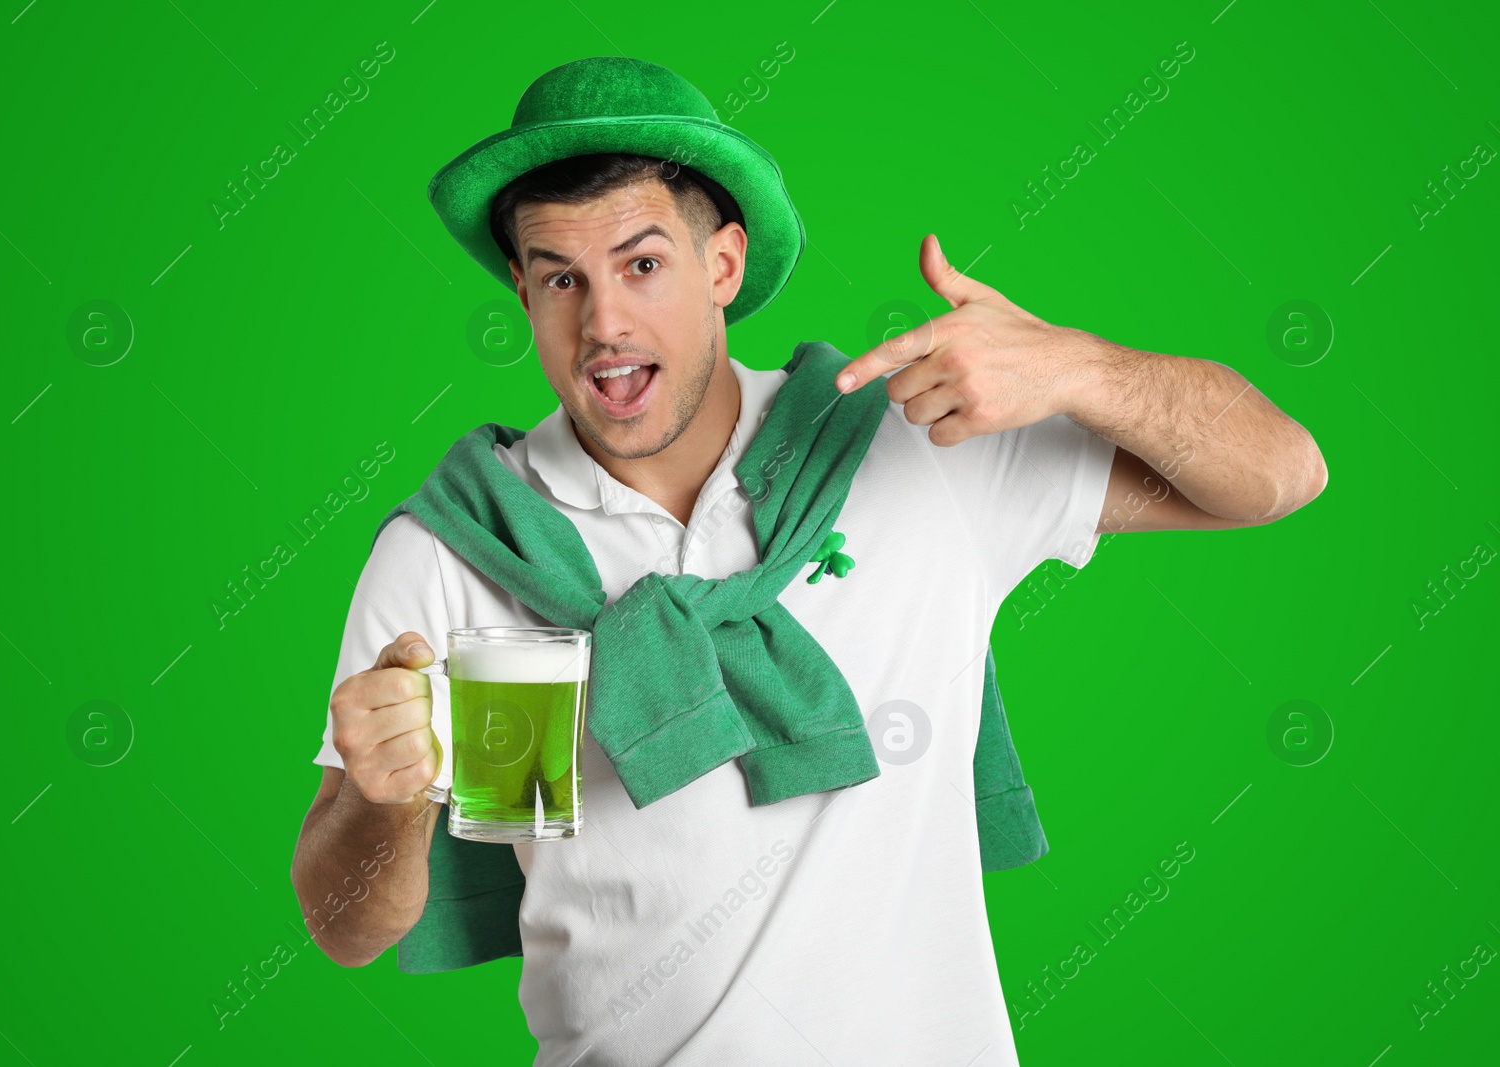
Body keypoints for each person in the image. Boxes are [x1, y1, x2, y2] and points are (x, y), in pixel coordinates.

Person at [290, 57, 1326, 1066]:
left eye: (643, 264)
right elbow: (349, 927)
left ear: (723, 266)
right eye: (561, 277)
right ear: (521, 287)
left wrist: (1085, 368)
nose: (602, 323)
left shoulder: (915, 446)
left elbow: (1280, 474)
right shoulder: (470, 552)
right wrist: (384, 803)